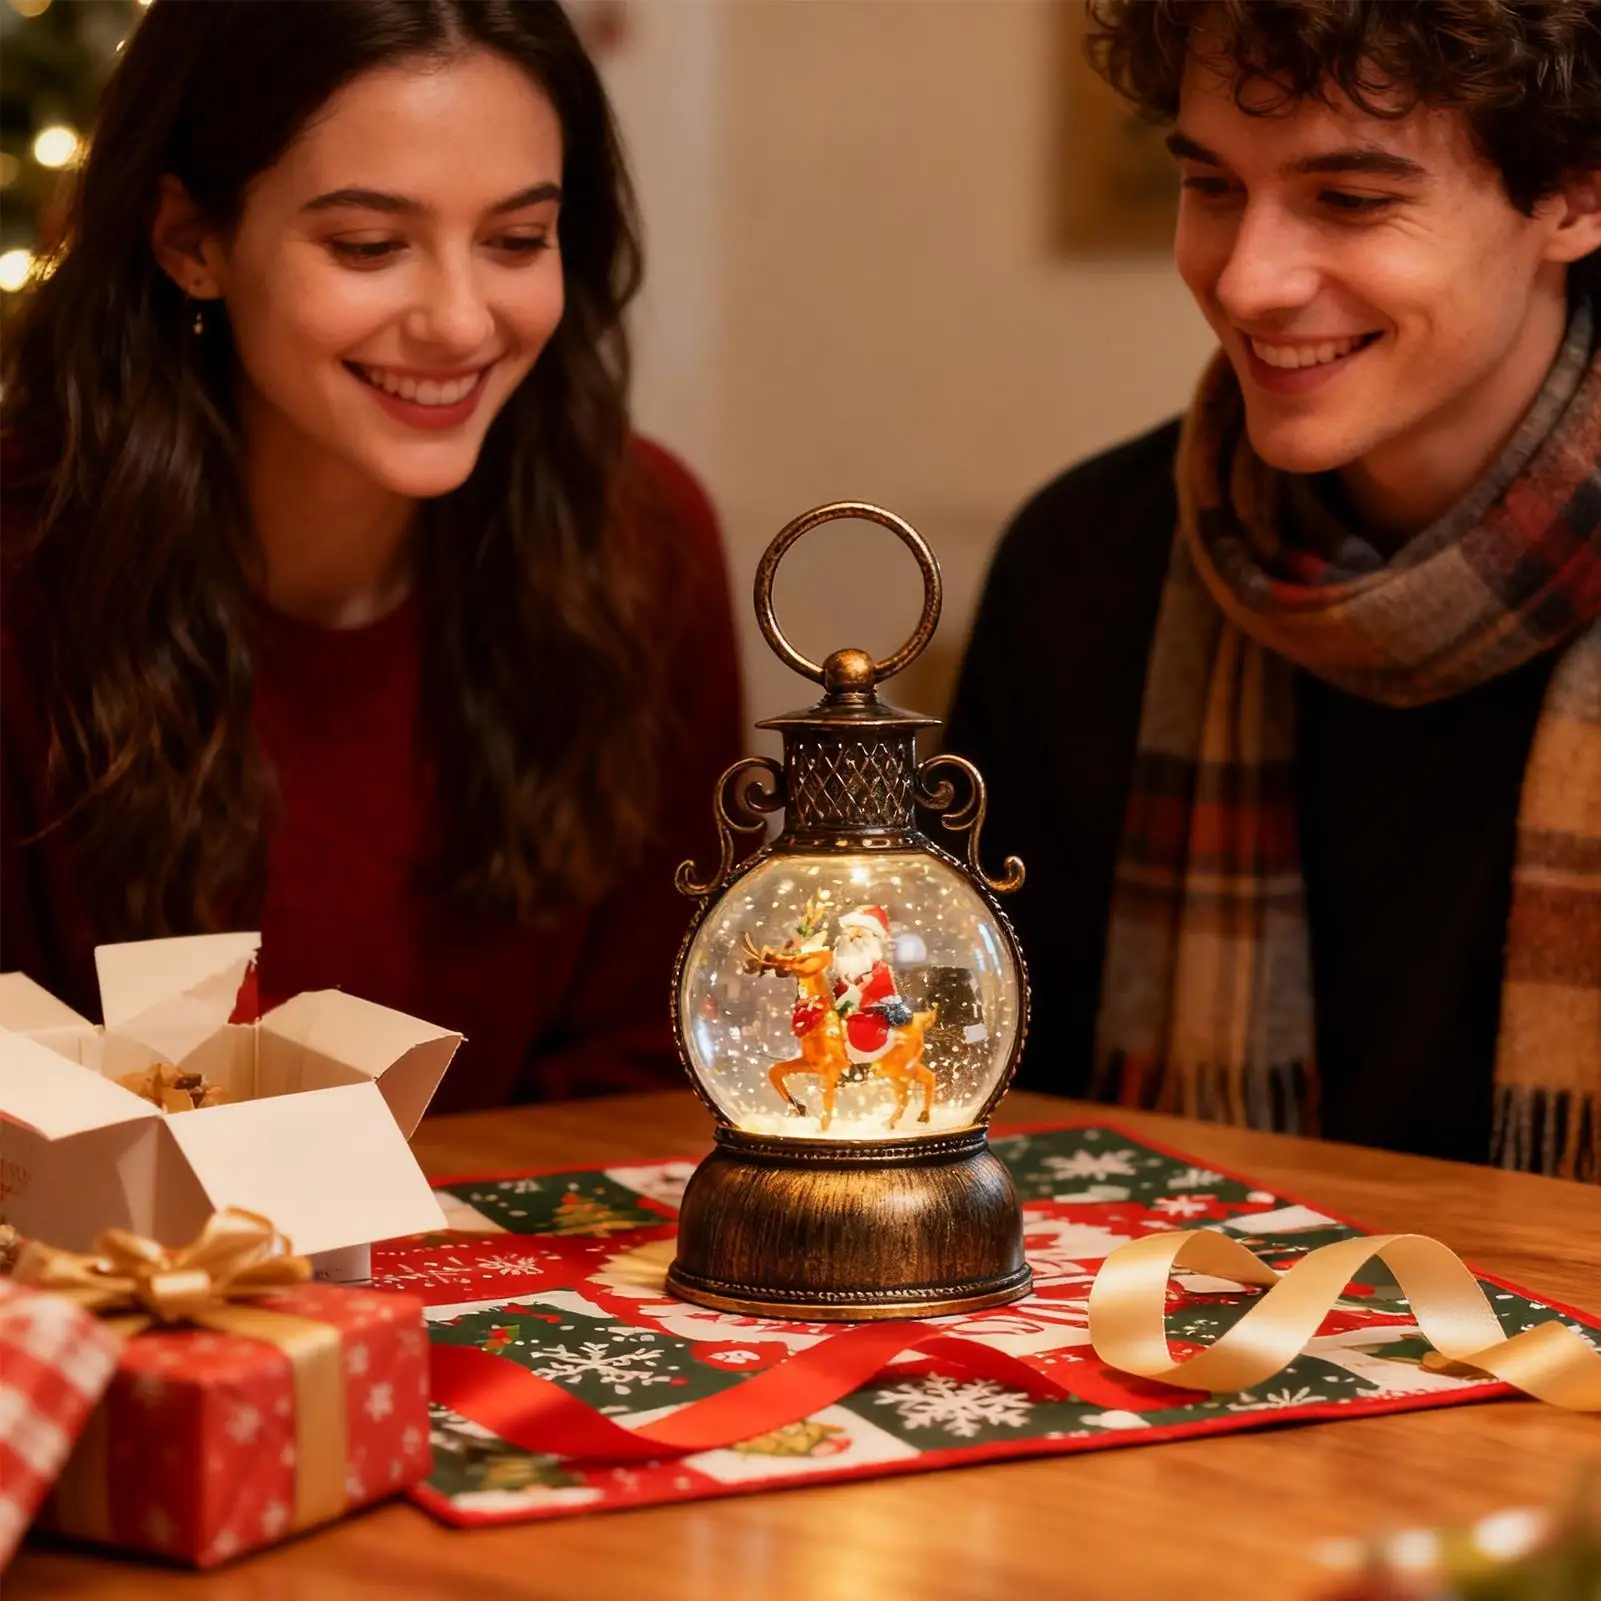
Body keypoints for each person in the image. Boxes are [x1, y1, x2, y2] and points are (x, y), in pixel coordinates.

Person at [0, 0, 743, 1112]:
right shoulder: (26, 569)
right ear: (190, 242)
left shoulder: (643, 540)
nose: (457, 321)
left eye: (515, 240)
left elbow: (657, 1061)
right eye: (368, 245)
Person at [946, 1, 1601, 1177]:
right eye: (1207, 187)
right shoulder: (1085, 559)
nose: (1246, 282)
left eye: (1348, 200)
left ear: (1572, 196)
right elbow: (973, 1108)